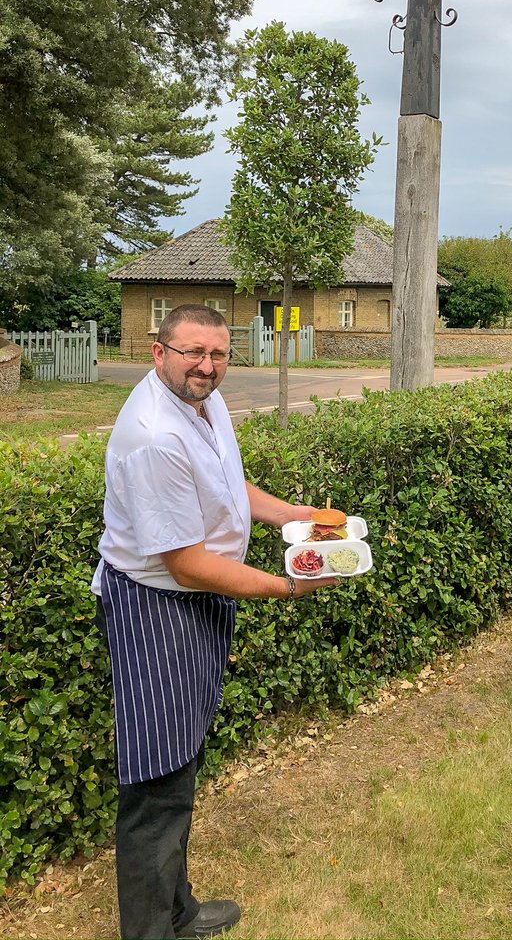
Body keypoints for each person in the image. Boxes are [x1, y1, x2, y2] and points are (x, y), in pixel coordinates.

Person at [91, 304, 337, 939]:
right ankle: (150, 931)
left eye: (218, 354)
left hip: (191, 601)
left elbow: (230, 484)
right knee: (158, 776)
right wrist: (289, 586)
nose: (206, 366)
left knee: (181, 759)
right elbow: (188, 564)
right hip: (158, 605)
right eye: (192, 353)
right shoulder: (154, 435)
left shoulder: (203, 404)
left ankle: (179, 909)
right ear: (159, 353)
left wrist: (294, 515)